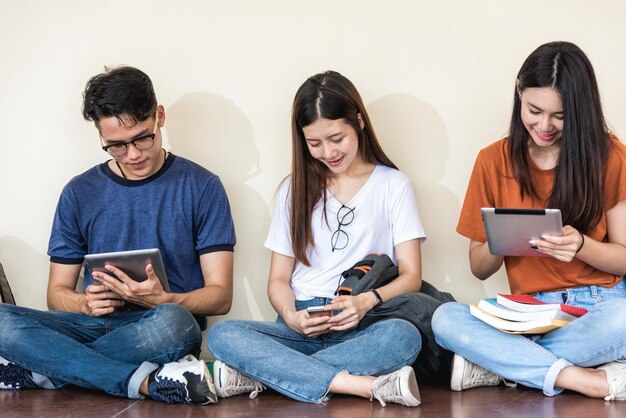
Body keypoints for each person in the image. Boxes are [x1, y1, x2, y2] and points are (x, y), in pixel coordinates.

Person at [0, 66, 236, 405]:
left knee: (176, 323)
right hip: (90, 325)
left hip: (158, 327)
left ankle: (45, 369)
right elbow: (57, 294)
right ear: (100, 136)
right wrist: (83, 303)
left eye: (143, 137)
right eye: (117, 146)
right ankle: (139, 381)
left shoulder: (202, 186)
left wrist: (163, 299)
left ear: (160, 117)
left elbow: (220, 296)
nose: (134, 154)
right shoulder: (78, 192)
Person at [207, 71, 425, 407]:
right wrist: (290, 314)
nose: (328, 152)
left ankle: (266, 377)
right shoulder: (292, 190)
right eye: (314, 143)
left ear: (360, 123)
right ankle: (360, 385)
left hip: (361, 318)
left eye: (337, 138)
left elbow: (412, 276)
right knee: (224, 335)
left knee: (404, 337)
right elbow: (278, 280)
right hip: (300, 325)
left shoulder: (393, 185)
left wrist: (366, 302)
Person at [432, 41, 626, 401]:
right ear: (519, 89)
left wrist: (582, 245)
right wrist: (504, 238)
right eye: (534, 110)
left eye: (561, 116)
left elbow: (624, 256)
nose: (545, 125)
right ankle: (585, 378)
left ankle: (501, 366)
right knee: (444, 318)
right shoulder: (492, 160)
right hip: (526, 317)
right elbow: (479, 268)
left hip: (602, 306)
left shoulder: (611, 155)